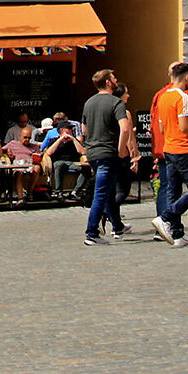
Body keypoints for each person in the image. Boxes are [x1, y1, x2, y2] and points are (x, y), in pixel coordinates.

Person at [78, 70, 131, 244]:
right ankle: (91, 232)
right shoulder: (116, 102)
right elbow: (124, 128)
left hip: (93, 152)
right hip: (108, 152)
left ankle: (118, 226)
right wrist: (121, 149)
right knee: (101, 194)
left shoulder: (89, 102)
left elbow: (84, 130)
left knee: (107, 192)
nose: (116, 80)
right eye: (114, 78)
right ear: (108, 82)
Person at [148, 63, 188, 244]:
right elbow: (185, 126)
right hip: (184, 148)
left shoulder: (163, 97)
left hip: (168, 147)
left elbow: (161, 127)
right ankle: (166, 217)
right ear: (186, 77)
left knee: (173, 190)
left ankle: (176, 234)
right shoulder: (182, 97)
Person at [44, 114, 86, 201]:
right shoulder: (54, 140)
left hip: (72, 163)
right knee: (59, 165)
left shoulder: (74, 141)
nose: (71, 130)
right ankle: (59, 192)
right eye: (69, 128)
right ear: (62, 130)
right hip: (58, 162)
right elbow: (48, 152)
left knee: (86, 168)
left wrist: (74, 140)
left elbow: (83, 152)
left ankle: (75, 192)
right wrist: (60, 139)